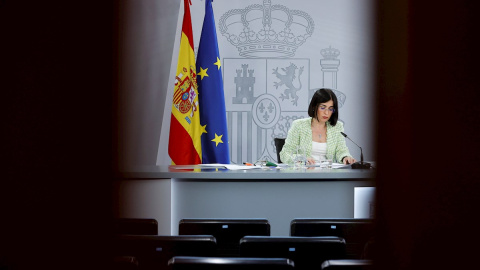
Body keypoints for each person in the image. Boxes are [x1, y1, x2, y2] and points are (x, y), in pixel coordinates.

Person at [279, 88, 356, 165]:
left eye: (330, 109)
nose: (326, 112)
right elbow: (285, 154)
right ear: (314, 106)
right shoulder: (299, 125)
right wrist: (302, 159)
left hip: (328, 174)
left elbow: (341, 150)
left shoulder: (337, 127)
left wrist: (345, 157)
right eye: (323, 107)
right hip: (304, 174)